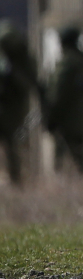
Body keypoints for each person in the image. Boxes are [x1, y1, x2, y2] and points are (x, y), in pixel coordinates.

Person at [45, 24, 83, 173]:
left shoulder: (68, 62)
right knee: (82, 161)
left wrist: (51, 115)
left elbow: (58, 92)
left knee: (60, 163)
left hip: (66, 119)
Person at [0, 21, 39, 184]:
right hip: (3, 106)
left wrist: (12, 73)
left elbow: (28, 85)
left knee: (13, 146)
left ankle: (16, 180)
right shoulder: (4, 58)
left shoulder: (24, 61)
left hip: (15, 110)